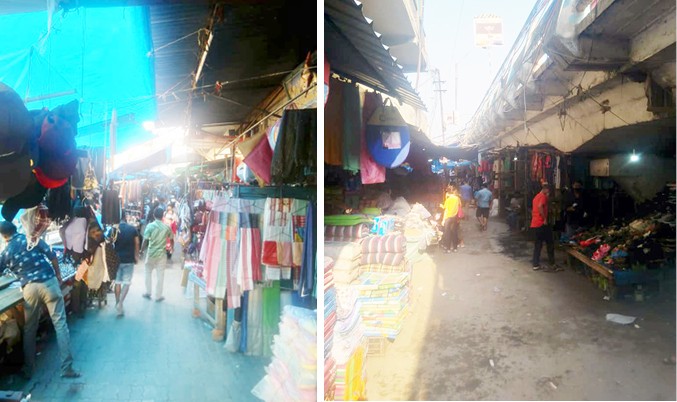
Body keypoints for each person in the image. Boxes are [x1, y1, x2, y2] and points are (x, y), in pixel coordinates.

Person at [0, 221, 80, 379]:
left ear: (4, 236)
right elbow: (52, 255)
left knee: (30, 329)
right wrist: (57, 275)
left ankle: (29, 370)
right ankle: (67, 368)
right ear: (16, 229)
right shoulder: (32, 238)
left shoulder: (6, 251)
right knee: (60, 324)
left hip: (30, 288)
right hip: (49, 283)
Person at [140, 208, 173, 302]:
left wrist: (141, 251)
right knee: (160, 275)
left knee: (147, 272)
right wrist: (171, 247)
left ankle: (148, 292)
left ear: (154, 215)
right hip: (162, 255)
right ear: (163, 216)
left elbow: (145, 240)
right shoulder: (167, 227)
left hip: (151, 253)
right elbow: (171, 239)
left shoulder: (150, 226)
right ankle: (158, 296)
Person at [114, 210, 140, 316]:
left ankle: (117, 303)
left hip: (117, 259)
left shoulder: (114, 230)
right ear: (126, 217)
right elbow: (137, 243)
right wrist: (136, 256)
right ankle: (120, 303)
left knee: (117, 282)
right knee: (127, 282)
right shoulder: (132, 229)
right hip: (129, 259)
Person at [531, 184, 558, 271]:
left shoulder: (536, 197)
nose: (549, 193)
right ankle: (552, 263)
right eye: (549, 191)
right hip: (542, 224)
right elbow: (540, 207)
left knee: (538, 244)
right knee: (550, 243)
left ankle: (535, 264)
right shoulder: (543, 197)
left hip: (535, 223)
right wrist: (545, 218)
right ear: (545, 189)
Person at [440, 185, 461, 253]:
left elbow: (445, 209)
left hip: (448, 218)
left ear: (448, 192)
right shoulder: (457, 198)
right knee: (454, 232)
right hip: (454, 217)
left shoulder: (448, 199)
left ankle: (448, 248)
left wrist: (443, 220)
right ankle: (455, 248)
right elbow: (459, 206)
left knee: (447, 233)